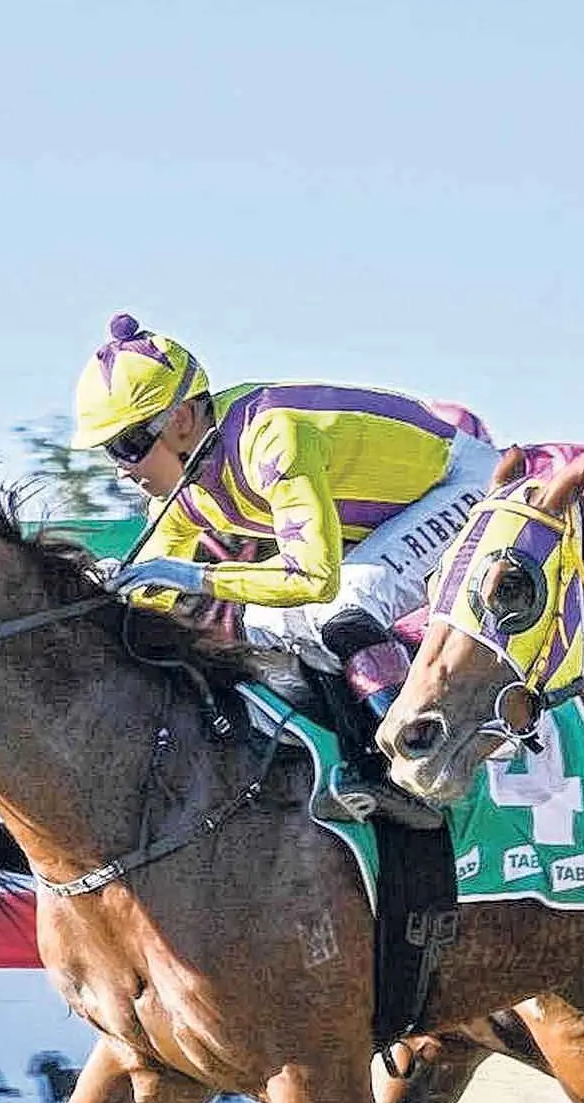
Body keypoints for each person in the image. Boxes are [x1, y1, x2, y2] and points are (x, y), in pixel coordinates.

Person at [69, 313, 495, 826]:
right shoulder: (188, 488)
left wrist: (195, 578)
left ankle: (420, 760)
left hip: (464, 485)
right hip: (396, 515)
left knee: (343, 604)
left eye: (127, 444)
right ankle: (364, 758)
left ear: (181, 418)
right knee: (263, 623)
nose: (121, 466)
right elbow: (149, 588)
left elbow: (314, 577)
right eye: (108, 450)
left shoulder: (272, 437)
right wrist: (97, 596)